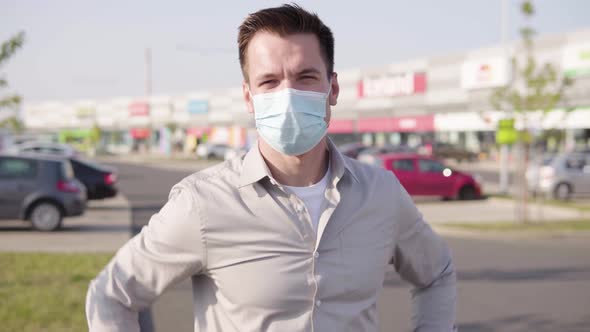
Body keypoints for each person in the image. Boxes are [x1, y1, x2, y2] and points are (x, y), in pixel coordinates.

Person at [86, 4, 456, 332]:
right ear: (249, 97)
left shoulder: (381, 194)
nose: (288, 94)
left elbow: (436, 273)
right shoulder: (202, 204)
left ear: (333, 88)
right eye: (269, 81)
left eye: (305, 77)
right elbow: (112, 295)